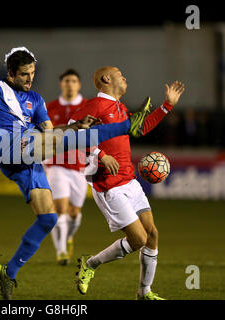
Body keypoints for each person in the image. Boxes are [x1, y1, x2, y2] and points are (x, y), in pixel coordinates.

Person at [0, 47, 151, 299]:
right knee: (58, 139)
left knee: (48, 219)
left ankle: (8, 272)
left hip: (29, 158)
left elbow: (53, 132)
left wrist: (76, 127)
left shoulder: (37, 100)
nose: (29, 79)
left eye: (31, 73)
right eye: (23, 75)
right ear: (10, 73)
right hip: (6, 146)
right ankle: (128, 126)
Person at [71, 66, 185, 300]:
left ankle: (144, 293)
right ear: (106, 79)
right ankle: (91, 264)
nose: (125, 77)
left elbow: (139, 128)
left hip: (129, 181)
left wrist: (166, 106)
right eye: (119, 73)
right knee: (138, 239)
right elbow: (72, 134)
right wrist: (101, 154)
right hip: (108, 185)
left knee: (152, 235)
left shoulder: (119, 107)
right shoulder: (94, 106)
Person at [43, 68, 89, 265]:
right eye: (66, 81)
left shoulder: (88, 106)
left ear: (78, 85)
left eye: (73, 81)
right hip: (55, 164)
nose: (69, 84)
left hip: (80, 166)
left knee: (74, 214)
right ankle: (61, 251)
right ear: (61, 84)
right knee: (60, 209)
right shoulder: (49, 107)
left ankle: (68, 238)